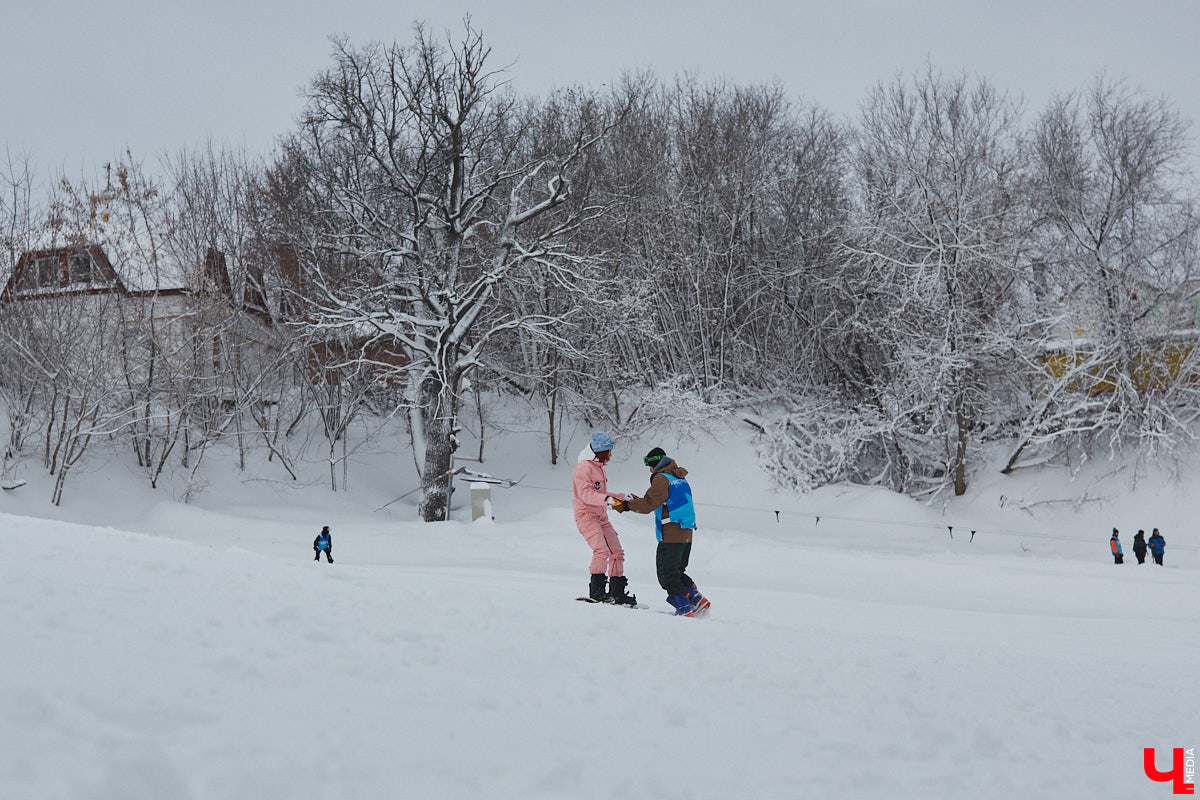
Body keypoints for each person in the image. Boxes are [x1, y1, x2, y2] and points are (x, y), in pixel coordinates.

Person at [613, 447, 710, 617]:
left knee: (667, 574)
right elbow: (663, 501)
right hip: (686, 532)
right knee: (677, 571)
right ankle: (698, 601)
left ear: (656, 463)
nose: (649, 470)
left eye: (650, 466)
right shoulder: (678, 477)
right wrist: (639, 501)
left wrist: (626, 505)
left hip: (671, 532)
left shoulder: (661, 478)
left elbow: (649, 504)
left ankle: (684, 609)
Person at [572, 432, 636, 605]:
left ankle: (617, 592)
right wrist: (606, 500)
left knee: (617, 552)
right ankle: (597, 592)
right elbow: (585, 494)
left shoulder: (598, 466)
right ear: (601, 451)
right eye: (608, 451)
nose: (610, 455)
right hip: (586, 516)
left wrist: (623, 496)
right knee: (601, 550)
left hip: (601, 516)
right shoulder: (584, 468)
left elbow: (600, 493)